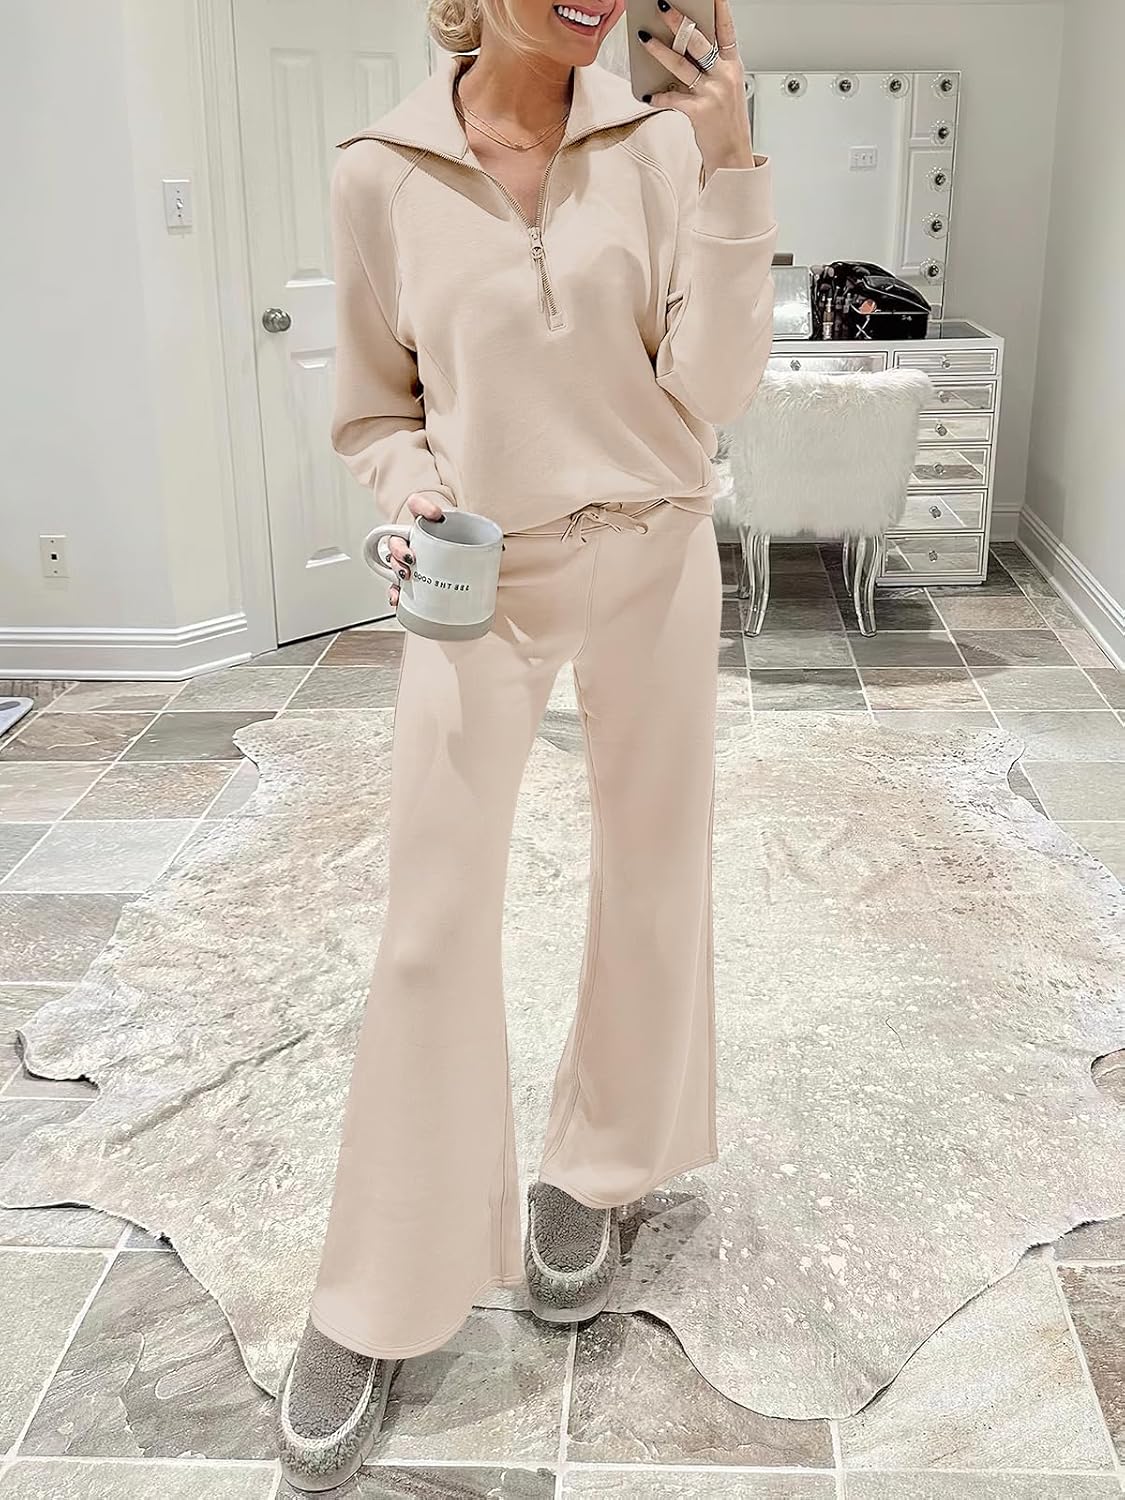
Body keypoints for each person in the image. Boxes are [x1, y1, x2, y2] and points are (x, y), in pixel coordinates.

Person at [275, 0, 776, 1488]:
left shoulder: (658, 149)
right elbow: (375, 408)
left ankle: (604, 1164)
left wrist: (730, 157)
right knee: (431, 921)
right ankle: (380, 1290)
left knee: (654, 870)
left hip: (656, 544)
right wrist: (410, 484)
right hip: (481, 573)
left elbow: (715, 391)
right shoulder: (379, 171)